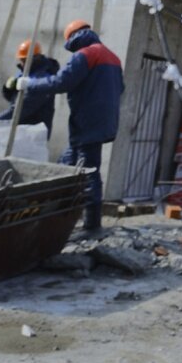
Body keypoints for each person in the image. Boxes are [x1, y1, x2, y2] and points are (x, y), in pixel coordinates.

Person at [20, 19, 124, 232]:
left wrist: (30, 84)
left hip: (87, 121)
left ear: (73, 38)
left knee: (87, 172)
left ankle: (91, 226)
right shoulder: (112, 57)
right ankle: (62, 217)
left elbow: (61, 82)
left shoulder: (84, 55)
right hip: (103, 121)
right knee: (67, 164)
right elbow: (120, 88)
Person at [0, 40, 60, 135]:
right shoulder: (25, 73)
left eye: (23, 60)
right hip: (22, 128)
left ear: (34, 59)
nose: (21, 63)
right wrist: (8, 89)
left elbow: (22, 108)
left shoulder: (42, 78)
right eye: (21, 60)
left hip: (34, 132)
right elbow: (13, 100)